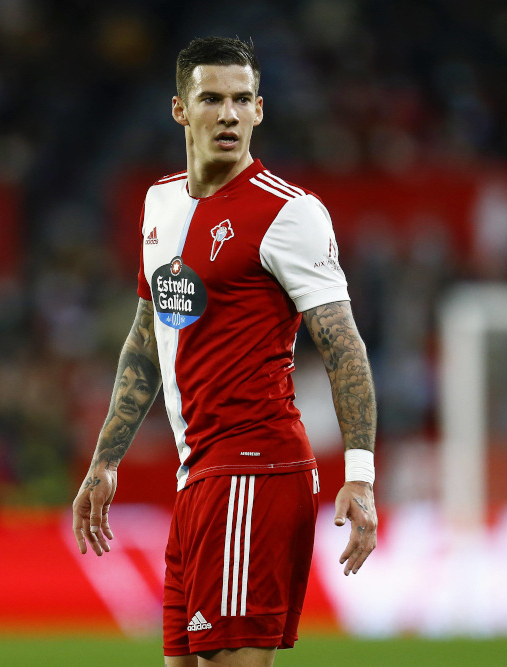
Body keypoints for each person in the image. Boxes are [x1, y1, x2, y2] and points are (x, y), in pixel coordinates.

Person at [72, 36, 378, 667]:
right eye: (211, 99)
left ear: (260, 111)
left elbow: (344, 345)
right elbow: (145, 339)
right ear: (181, 110)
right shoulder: (159, 204)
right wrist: (106, 460)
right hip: (200, 477)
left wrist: (360, 475)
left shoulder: (289, 215)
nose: (229, 114)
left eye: (242, 100)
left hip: (254, 469)